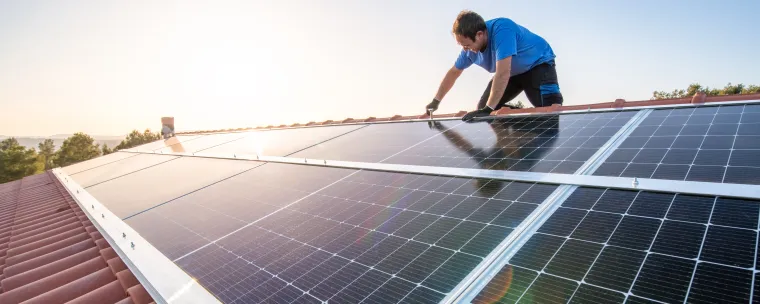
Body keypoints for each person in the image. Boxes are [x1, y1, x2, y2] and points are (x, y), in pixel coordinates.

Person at [426, 10, 564, 122]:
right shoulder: (468, 51)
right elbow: (454, 72)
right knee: (484, 108)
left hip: (537, 64)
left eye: (467, 45)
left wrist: (488, 109)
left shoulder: (502, 29)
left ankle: (542, 120)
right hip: (513, 74)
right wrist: (435, 101)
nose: (465, 50)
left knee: (549, 110)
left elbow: (502, 72)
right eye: (462, 46)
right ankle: (525, 131)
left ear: (479, 34)